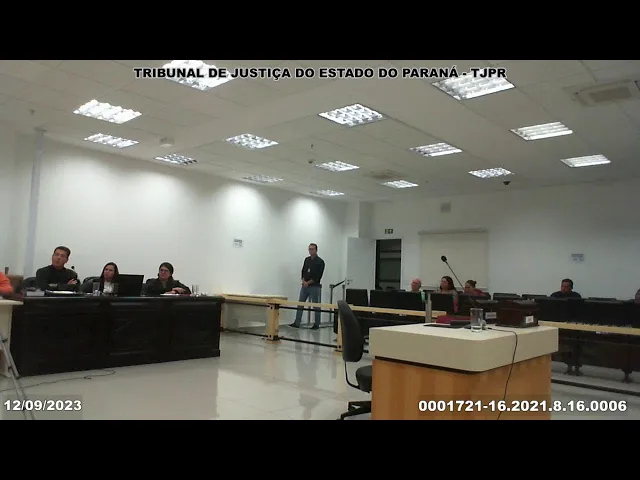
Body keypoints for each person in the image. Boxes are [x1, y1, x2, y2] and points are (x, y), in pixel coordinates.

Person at [290, 243, 325, 330]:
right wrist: (303, 281)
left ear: (316, 250)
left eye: (312, 249)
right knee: (300, 304)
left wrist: (308, 283)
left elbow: (318, 276)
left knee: (316, 306)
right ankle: (297, 322)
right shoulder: (307, 260)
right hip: (304, 286)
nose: (310, 251)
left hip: (314, 286)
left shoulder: (320, 262)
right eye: (309, 249)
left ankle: (316, 324)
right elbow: (303, 271)